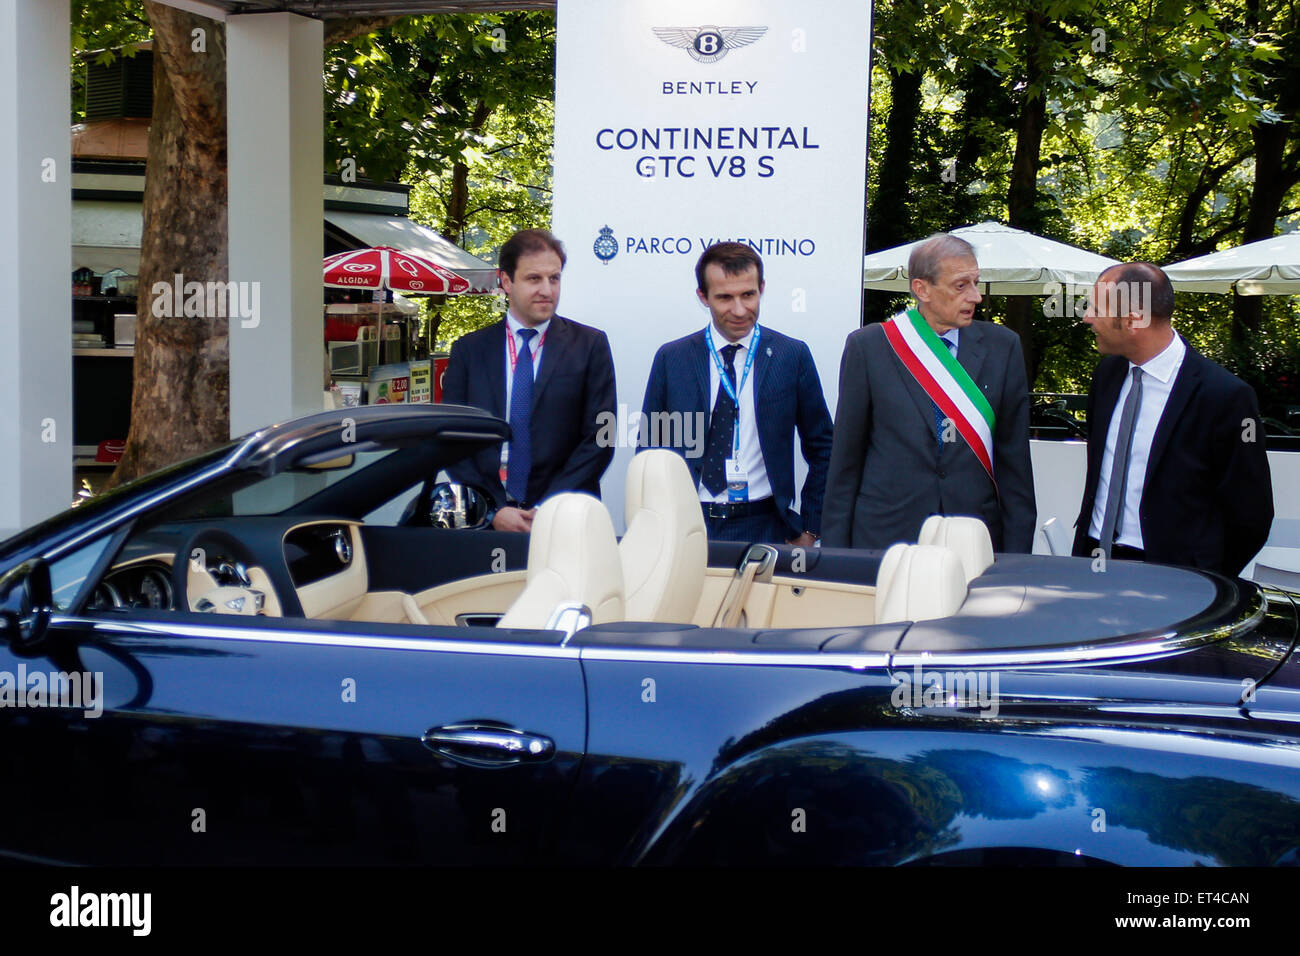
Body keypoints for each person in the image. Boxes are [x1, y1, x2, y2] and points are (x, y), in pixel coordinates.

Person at [821, 233, 1036, 552]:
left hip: (972, 538)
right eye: (961, 285)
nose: (976, 296)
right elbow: (845, 463)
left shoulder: (1003, 348)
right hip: (885, 538)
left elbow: (1015, 467)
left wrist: (1017, 561)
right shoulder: (868, 348)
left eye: (976, 282)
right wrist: (835, 558)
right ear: (922, 289)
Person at [1071, 262, 1273, 575]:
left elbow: (1251, 516)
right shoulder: (1106, 377)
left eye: (1096, 308)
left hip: (1175, 580)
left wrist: (1205, 578)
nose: (1086, 317)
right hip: (1091, 563)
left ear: (1134, 318)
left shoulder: (1224, 396)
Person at [639, 242, 834, 544]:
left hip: (767, 527)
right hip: (685, 526)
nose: (740, 310)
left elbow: (824, 447)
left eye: (748, 295)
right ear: (703, 297)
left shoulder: (791, 356)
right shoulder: (672, 358)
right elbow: (650, 450)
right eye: (725, 298)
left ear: (762, 289)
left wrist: (810, 529)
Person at [441, 228, 616, 533]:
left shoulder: (590, 345)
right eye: (534, 279)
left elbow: (601, 437)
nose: (547, 290)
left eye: (555, 278)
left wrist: (548, 507)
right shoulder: (469, 351)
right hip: (486, 522)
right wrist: (492, 509)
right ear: (506, 281)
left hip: (566, 517)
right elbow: (453, 440)